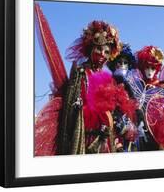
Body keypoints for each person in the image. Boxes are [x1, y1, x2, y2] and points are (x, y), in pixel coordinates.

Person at [58, 21, 136, 155]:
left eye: (106, 51)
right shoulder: (81, 72)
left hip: (108, 139)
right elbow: (71, 110)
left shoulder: (109, 78)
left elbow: (114, 108)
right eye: (99, 49)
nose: (102, 55)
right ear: (90, 49)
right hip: (87, 137)